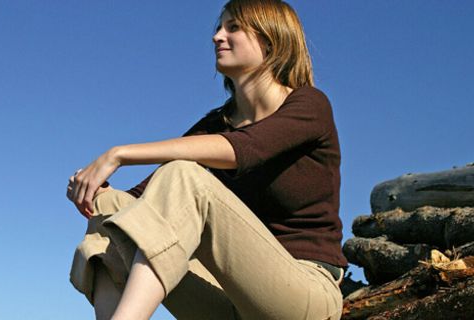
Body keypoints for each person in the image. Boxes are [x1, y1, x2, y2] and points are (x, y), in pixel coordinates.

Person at [67, 0, 348, 319]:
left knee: (184, 176)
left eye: (233, 27)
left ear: (270, 40)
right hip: (229, 299)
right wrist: (92, 189)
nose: (217, 36)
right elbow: (142, 200)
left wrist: (118, 153)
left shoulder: (309, 105)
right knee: (111, 210)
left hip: (304, 295)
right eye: (218, 27)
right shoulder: (217, 125)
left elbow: (245, 149)